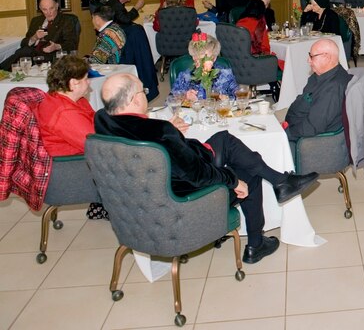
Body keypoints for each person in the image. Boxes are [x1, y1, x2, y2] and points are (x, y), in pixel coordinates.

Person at [95, 73, 320, 263]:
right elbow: (197, 176)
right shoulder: (159, 131)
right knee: (247, 174)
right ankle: (256, 242)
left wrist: (170, 133)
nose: (146, 94)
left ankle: (280, 181)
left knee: (224, 139)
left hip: (147, 199)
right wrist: (232, 180)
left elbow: (160, 148)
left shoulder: (103, 122)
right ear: (134, 100)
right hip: (184, 200)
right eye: (143, 91)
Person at [284, 39, 352, 140]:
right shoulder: (321, 75)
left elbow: (312, 127)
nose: (308, 60)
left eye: (312, 57)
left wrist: (284, 134)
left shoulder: (332, 89)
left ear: (327, 57)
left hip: (308, 141)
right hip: (294, 126)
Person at [35, 55, 94, 157]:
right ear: (73, 83)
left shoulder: (76, 100)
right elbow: (94, 145)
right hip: (69, 164)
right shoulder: (65, 112)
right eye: (86, 78)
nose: (89, 82)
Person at [0, 0, 79, 70]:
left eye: (51, 8)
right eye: (45, 9)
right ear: (40, 9)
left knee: (24, 52)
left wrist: (56, 46)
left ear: (57, 6)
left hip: (51, 56)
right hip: (32, 54)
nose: (49, 12)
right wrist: (34, 37)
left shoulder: (66, 21)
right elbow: (23, 43)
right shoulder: (36, 21)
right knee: (22, 52)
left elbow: (71, 44)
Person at [172, 34, 238, 101]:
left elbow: (239, 97)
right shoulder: (185, 77)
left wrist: (227, 99)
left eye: (203, 59)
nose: (198, 63)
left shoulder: (225, 75)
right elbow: (170, 100)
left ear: (214, 58)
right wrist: (184, 97)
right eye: (195, 57)